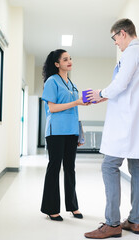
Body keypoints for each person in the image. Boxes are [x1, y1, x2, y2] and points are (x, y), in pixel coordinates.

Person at [84, 18, 139, 238]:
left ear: (122, 33)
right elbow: (132, 88)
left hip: (127, 121)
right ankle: (135, 221)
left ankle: (112, 223)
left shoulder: (132, 54)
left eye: (114, 37)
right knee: (137, 167)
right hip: (138, 119)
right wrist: (108, 96)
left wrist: (101, 93)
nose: (115, 42)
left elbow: (121, 84)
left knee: (109, 166)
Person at [41, 49, 89, 221]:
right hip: (56, 131)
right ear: (57, 64)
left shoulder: (71, 83)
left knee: (70, 168)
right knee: (54, 168)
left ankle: (73, 206)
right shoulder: (52, 81)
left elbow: (75, 109)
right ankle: (51, 208)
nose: (69, 61)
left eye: (70, 59)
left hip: (71, 131)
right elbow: (52, 108)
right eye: (65, 59)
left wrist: (79, 134)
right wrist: (76, 101)